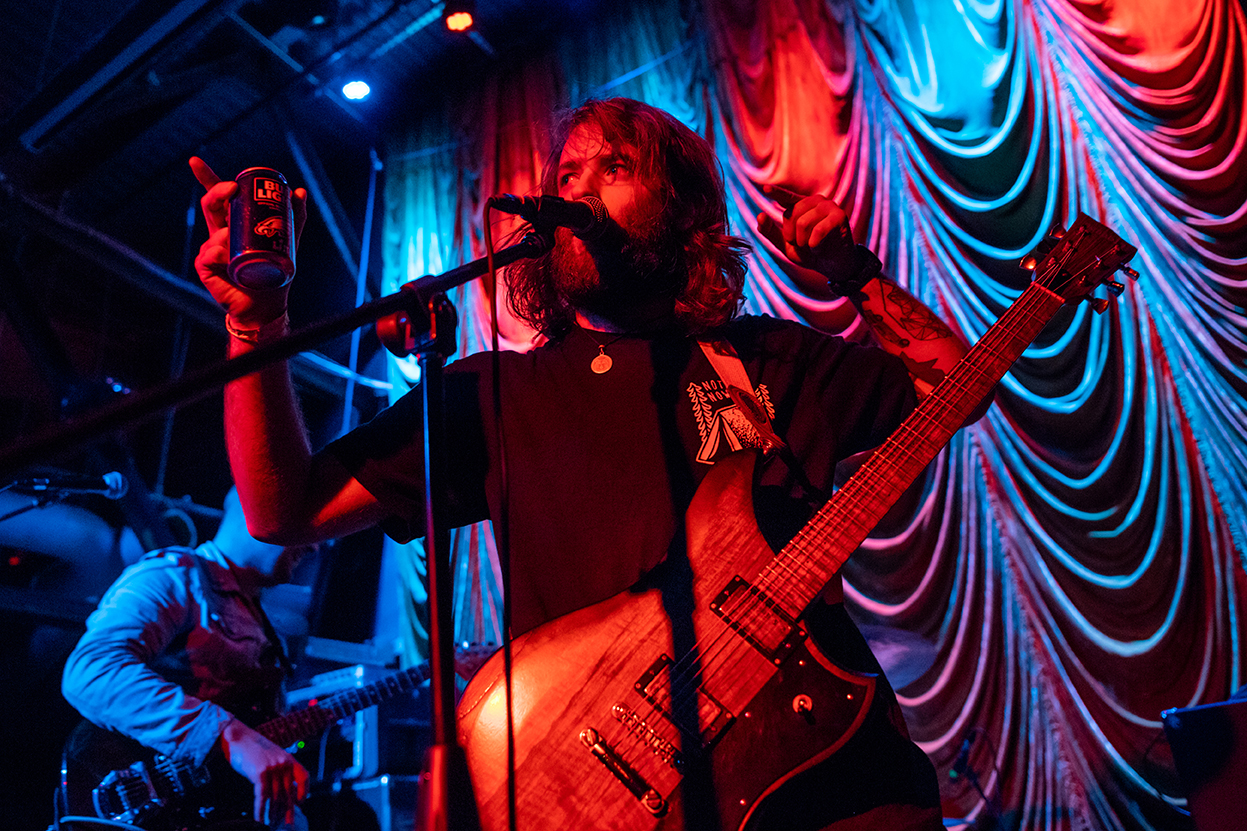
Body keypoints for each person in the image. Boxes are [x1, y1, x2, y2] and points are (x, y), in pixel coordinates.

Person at [190, 97, 989, 829]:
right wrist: (257, 324)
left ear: (681, 210)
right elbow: (283, 509)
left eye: (615, 166)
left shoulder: (767, 358)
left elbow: (955, 387)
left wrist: (854, 273)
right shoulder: (493, 393)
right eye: (566, 172)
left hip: (834, 787)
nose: (577, 185)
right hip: (624, 801)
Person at [61, 488, 315, 829]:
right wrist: (230, 736)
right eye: (310, 527)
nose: (315, 546)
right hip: (152, 805)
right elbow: (92, 672)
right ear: (259, 509)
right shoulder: (174, 577)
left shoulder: (264, 624)